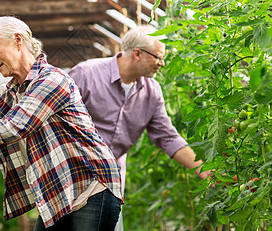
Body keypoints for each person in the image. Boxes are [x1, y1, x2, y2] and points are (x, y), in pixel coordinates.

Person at [0, 16, 123, 230]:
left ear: (18, 40)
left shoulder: (51, 80)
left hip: (91, 185)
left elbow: (12, 128)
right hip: (59, 192)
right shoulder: (10, 92)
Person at [68, 25, 212, 231]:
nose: (162, 63)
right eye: (158, 57)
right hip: (71, 179)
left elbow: (167, 137)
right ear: (137, 54)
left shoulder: (151, 92)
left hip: (109, 186)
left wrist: (203, 169)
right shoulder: (86, 75)